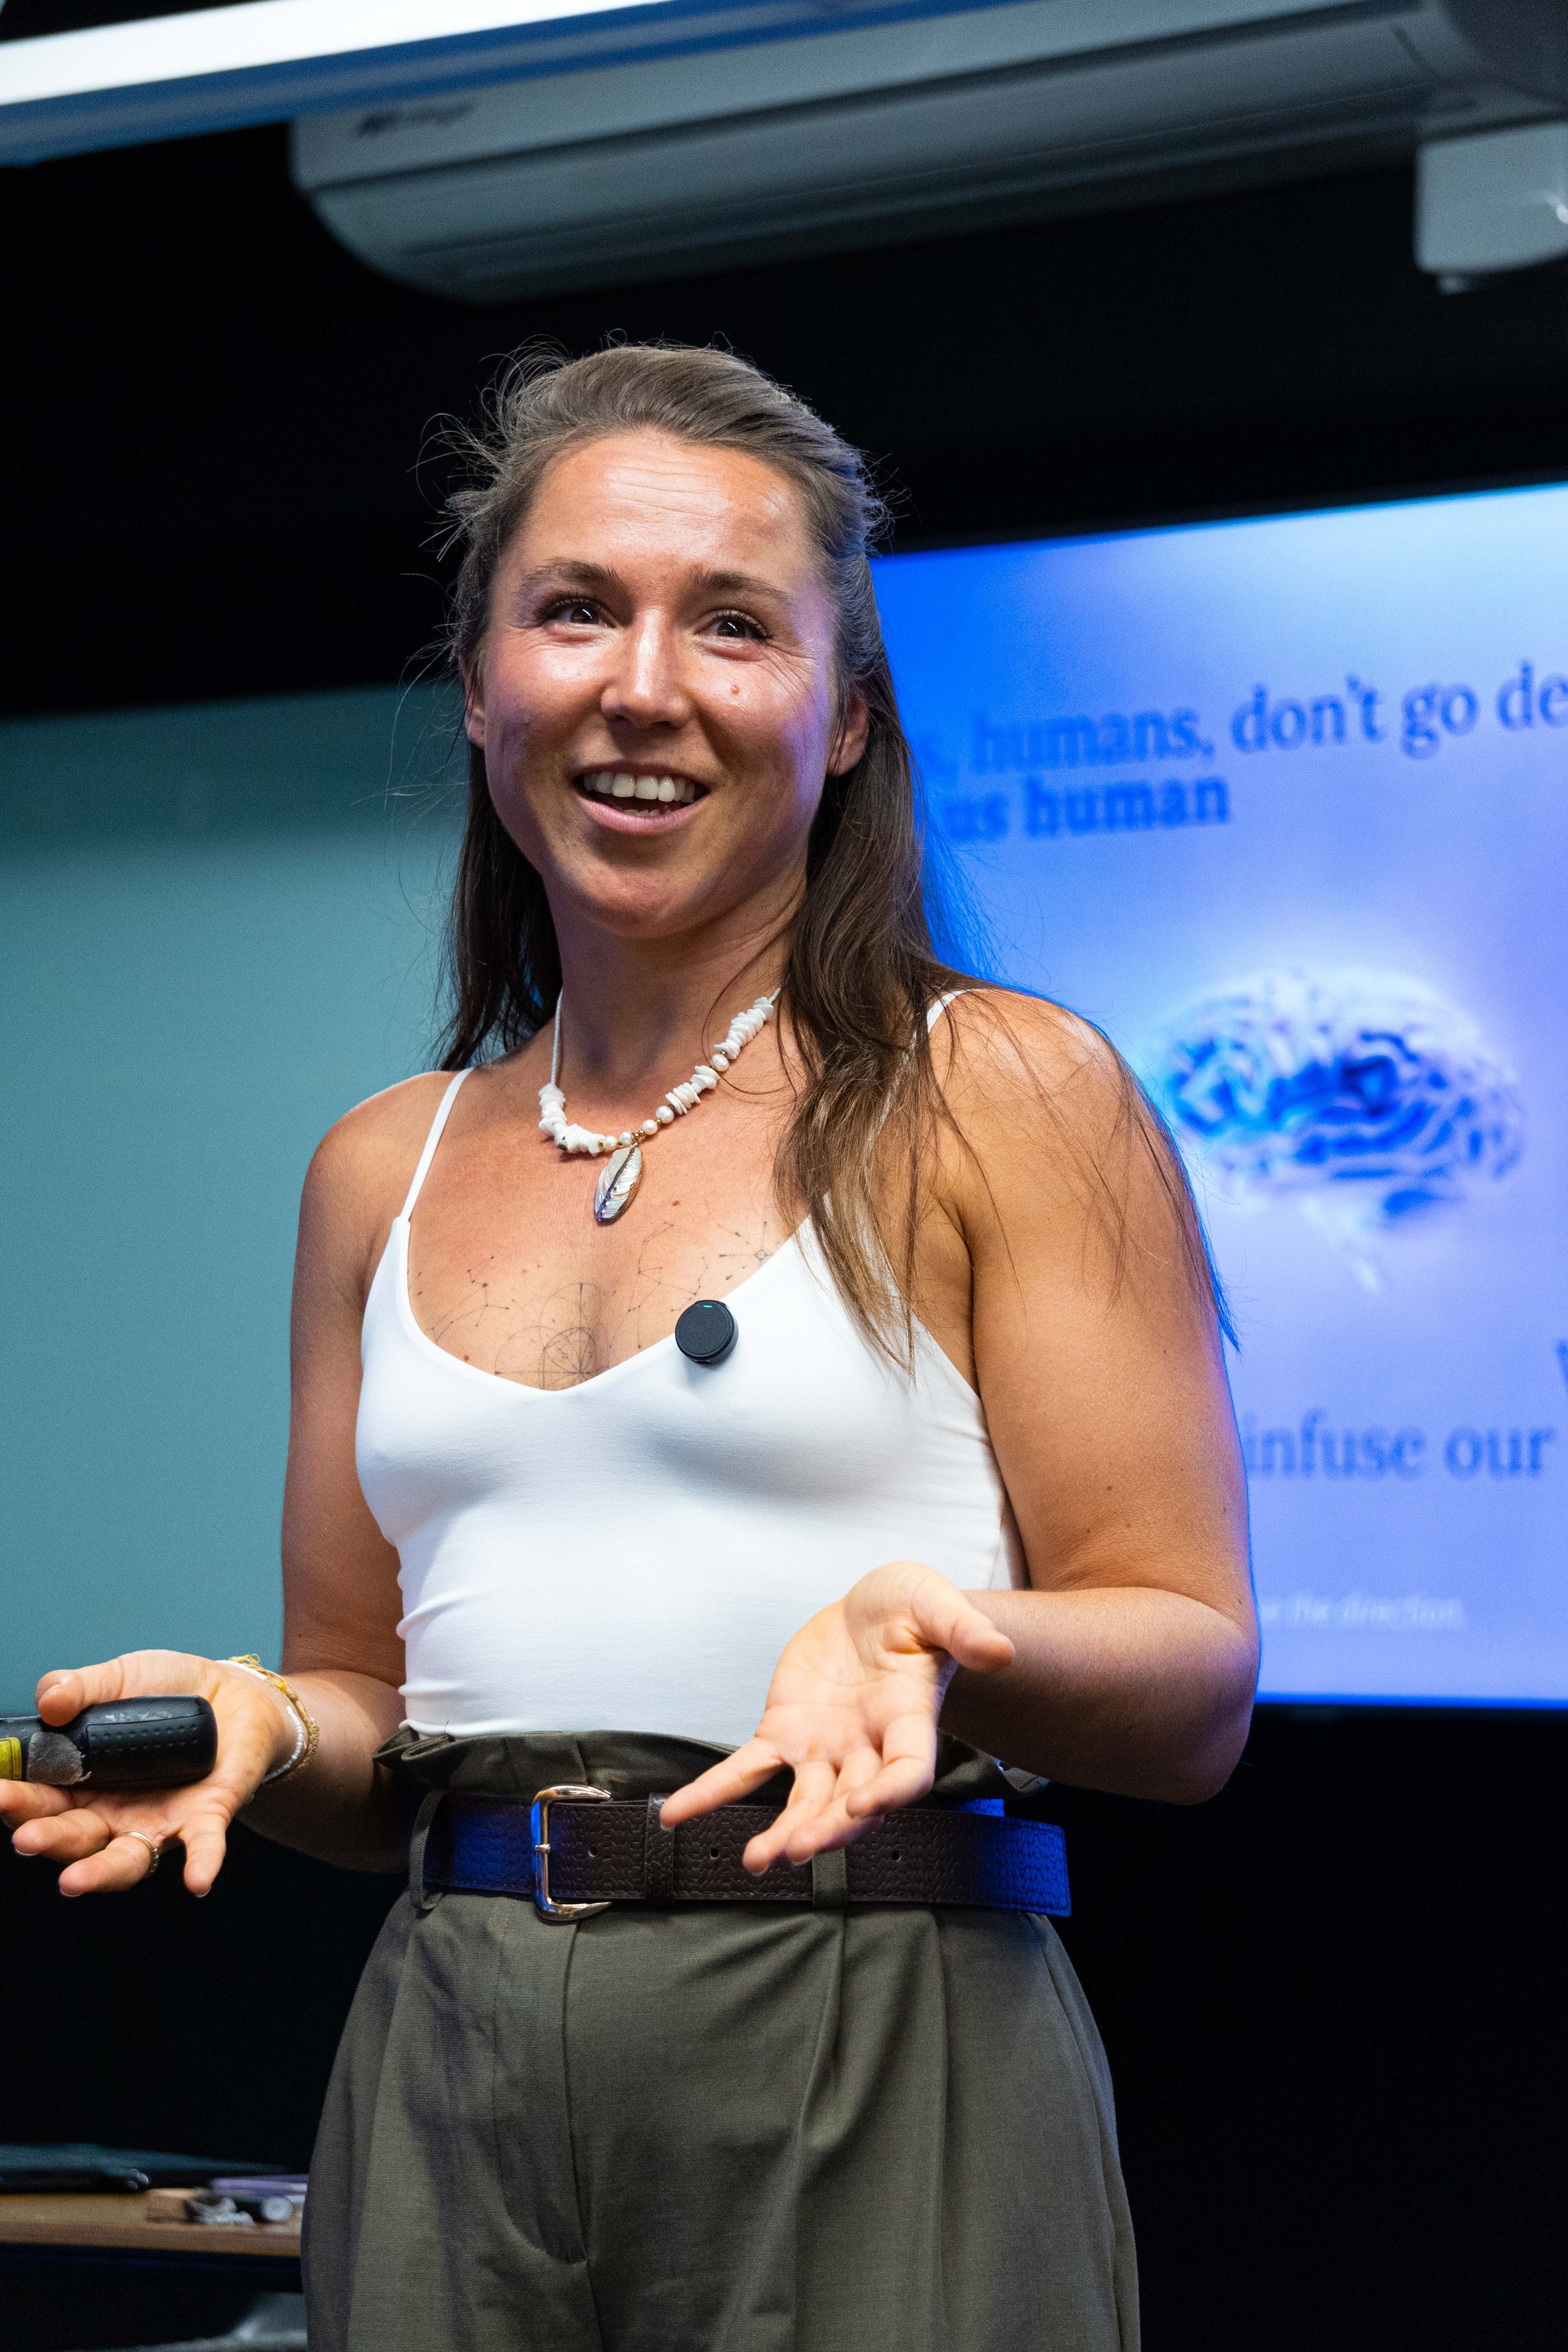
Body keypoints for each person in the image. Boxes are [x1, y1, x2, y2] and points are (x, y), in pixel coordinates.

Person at [0, 344, 1256, 2352]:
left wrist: (935, 1626)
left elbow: (1194, 1676)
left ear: (845, 719)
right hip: (454, 2028)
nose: (643, 685)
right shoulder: (373, 1169)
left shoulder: (995, 1084)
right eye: (576, 608)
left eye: (735, 626)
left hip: (881, 2012)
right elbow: (367, 1710)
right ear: (485, 680)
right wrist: (255, 1718)